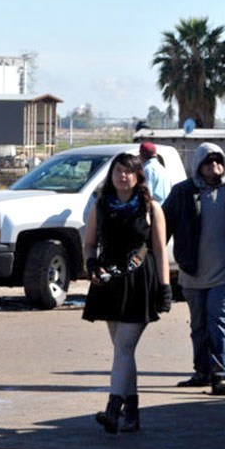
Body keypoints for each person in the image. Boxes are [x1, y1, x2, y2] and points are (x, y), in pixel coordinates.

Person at [83, 153, 171, 433]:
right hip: (109, 283)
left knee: (123, 348)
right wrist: (91, 264)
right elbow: (89, 243)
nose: (123, 176)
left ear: (137, 176)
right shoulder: (100, 205)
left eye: (129, 171)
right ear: (111, 175)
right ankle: (131, 415)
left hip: (140, 282)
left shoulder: (151, 207)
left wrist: (165, 287)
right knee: (124, 351)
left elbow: (159, 249)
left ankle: (113, 410)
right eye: (118, 171)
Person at [163, 143, 225, 396]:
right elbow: (163, 226)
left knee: (219, 322)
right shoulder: (182, 193)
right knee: (199, 326)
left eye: (218, 161)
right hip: (192, 273)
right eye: (208, 162)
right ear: (198, 165)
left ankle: (221, 376)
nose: (214, 166)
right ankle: (202, 372)